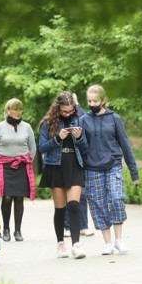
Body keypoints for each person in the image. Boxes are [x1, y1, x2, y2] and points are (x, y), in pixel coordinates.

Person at [80, 84, 139, 255]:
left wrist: (134, 172)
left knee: (116, 197)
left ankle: (119, 240)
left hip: (113, 164)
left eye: (95, 101)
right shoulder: (83, 120)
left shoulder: (114, 118)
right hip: (92, 167)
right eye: (89, 101)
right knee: (98, 203)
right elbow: (82, 147)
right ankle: (107, 242)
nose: (91, 104)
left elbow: (125, 145)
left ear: (104, 101)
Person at [38, 92, 89, 259]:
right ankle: (60, 243)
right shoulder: (48, 123)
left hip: (74, 164)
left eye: (70, 110)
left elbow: (86, 148)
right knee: (60, 209)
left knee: (74, 205)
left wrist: (79, 137)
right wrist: (58, 139)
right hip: (56, 166)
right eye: (64, 111)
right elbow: (42, 148)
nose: (68, 114)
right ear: (57, 108)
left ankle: (76, 244)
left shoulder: (79, 120)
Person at [0, 98, 37, 242]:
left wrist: (27, 161)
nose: (18, 112)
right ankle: (6, 229)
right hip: (5, 166)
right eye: (15, 109)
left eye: (20, 109)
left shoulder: (27, 127)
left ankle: (18, 230)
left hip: (22, 165)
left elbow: (33, 148)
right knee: (7, 197)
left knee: (18, 198)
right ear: (8, 111)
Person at [64, 93, 95, 238]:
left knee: (81, 195)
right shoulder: (56, 118)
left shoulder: (79, 115)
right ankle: (67, 226)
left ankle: (83, 225)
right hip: (63, 159)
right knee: (65, 195)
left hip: (79, 159)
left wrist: (77, 105)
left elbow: (83, 121)